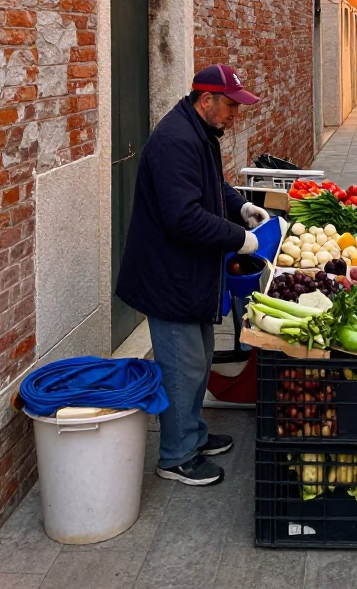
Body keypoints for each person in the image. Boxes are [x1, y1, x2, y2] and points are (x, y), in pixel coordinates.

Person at [115, 64, 269, 487]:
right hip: (169, 276)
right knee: (181, 367)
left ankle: (194, 435)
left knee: (198, 358)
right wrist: (240, 238)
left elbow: (212, 186)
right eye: (231, 106)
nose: (235, 115)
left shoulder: (199, 132)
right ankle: (177, 455)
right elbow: (183, 217)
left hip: (189, 273)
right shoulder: (175, 141)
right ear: (207, 101)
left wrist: (239, 206)